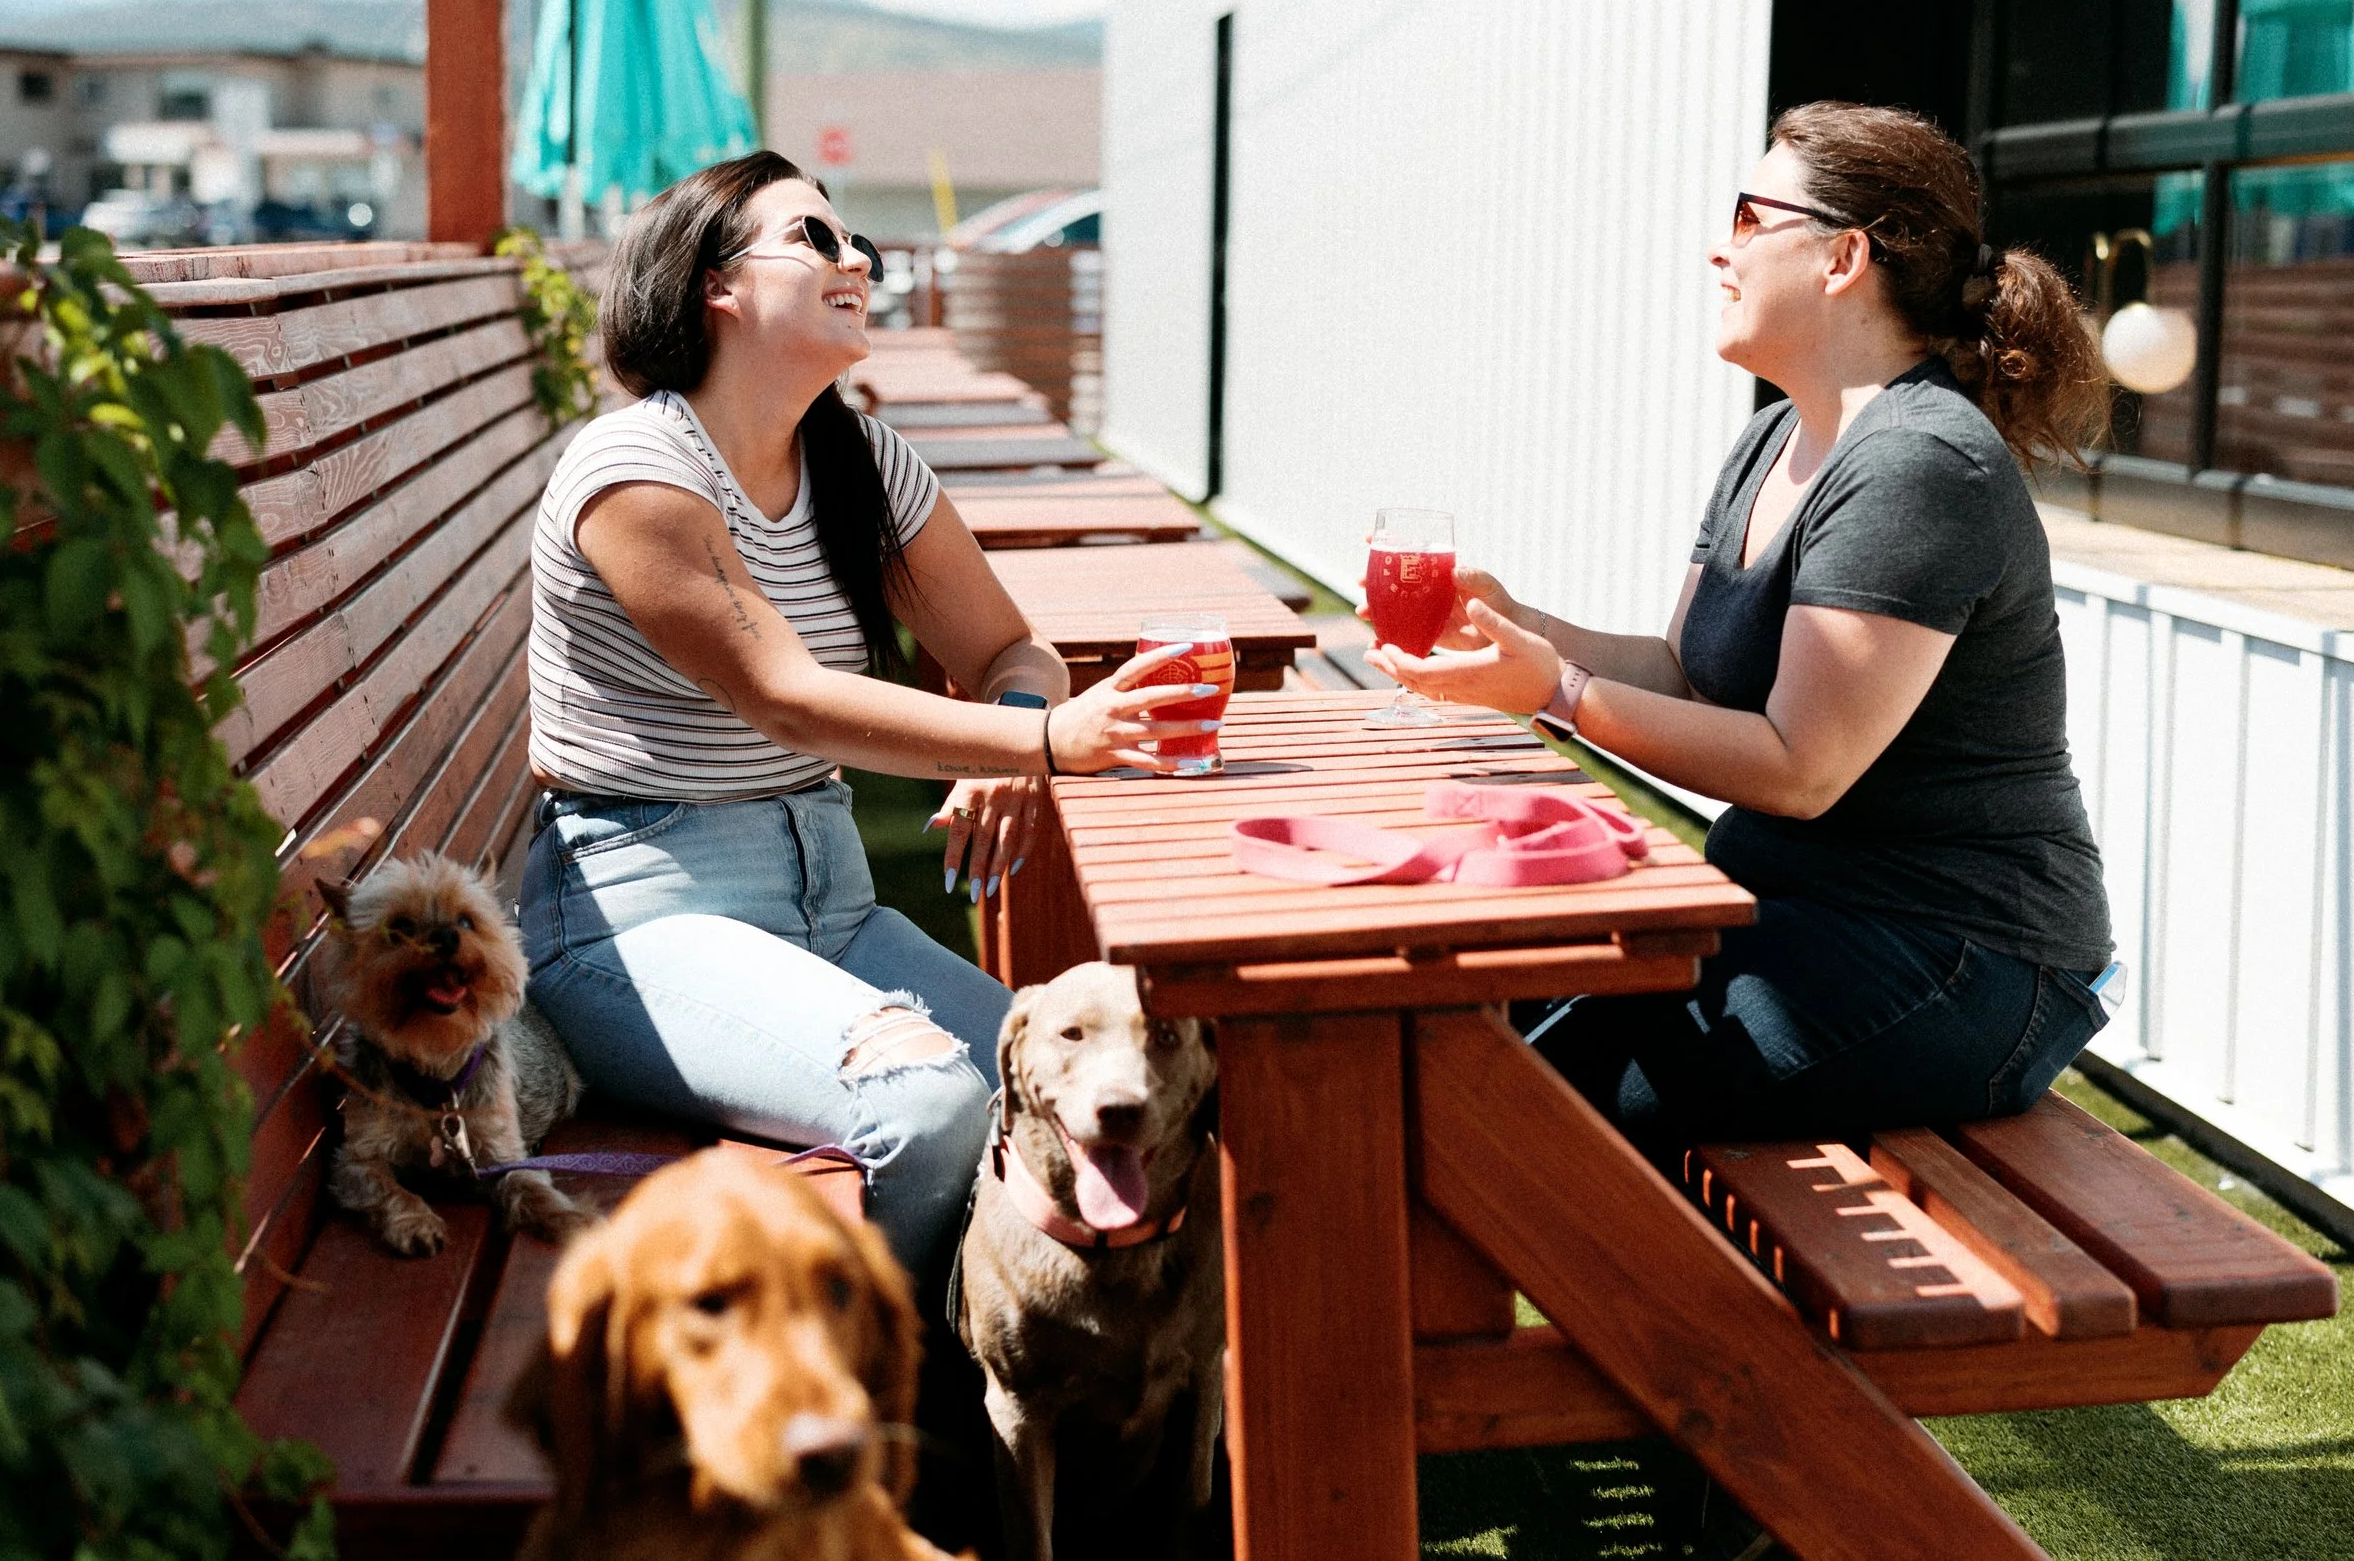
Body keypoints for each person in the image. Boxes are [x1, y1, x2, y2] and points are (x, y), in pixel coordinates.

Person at [518, 152, 1214, 1275]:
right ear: (716, 285)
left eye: (858, 246)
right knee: (931, 1105)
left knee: (1040, 1080)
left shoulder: (858, 462)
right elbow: (786, 698)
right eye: (815, 239)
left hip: (828, 897)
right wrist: (1045, 740)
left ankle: (1038, 1385)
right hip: (639, 919)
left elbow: (1005, 646)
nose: (855, 262)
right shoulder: (633, 470)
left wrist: (1013, 727)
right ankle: (897, 1420)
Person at [1369, 102, 2116, 1142]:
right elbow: (1687, 676)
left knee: (1494, 1100)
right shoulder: (1774, 436)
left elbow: (1798, 768)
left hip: (1957, 957)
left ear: (1841, 255)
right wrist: (1517, 622)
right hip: (1795, 913)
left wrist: (1553, 690)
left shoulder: (1917, 463)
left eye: (1748, 216)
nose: (1718, 249)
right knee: (1456, 1019)